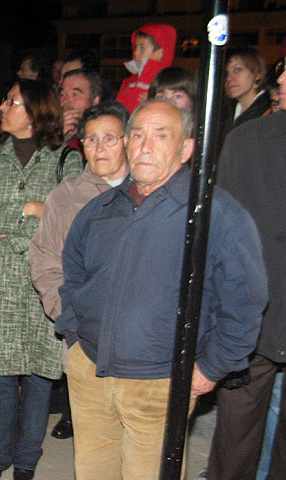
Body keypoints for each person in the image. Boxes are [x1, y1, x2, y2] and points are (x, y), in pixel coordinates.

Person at [57, 98, 268, 480]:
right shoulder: (102, 207)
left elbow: (246, 301)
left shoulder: (213, 213)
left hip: (160, 384)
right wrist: (73, 336)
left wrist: (211, 367)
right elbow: (71, 272)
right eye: (137, 135)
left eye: (160, 135)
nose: (144, 146)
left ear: (186, 148)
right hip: (90, 374)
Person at [0, 79, 83, 480]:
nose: (3, 105)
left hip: (43, 284)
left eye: (11, 100)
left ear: (34, 111)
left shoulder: (65, 160)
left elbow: (68, 220)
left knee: (37, 377)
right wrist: (30, 209)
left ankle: (27, 459)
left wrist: (30, 219)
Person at [204, 56, 286, 480]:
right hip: (253, 313)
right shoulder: (247, 138)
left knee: (237, 437)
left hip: (251, 312)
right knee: (242, 436)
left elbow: (224, 234)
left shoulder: (246, 137)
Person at [31, 101, 129, 442]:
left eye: (109, 138)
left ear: (128, 140)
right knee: (94, 442)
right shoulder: (67, 196)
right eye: (90, 140)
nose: (99, 148)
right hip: (84, 337)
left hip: (140, 341)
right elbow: (44, 260)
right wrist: (68, 318)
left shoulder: (148, 191)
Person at [216, 47, 270, 155]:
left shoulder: (268, 113)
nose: (229, 78)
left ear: (257, 73)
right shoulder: (224, 113)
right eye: (226, 73)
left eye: (237, 69)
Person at [116, 23, 177, 112]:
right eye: (135, 47)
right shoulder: (129, 82)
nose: (136, 53)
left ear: (160, 53)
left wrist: (154, 105)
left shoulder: (167, 83)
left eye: (142, 48)